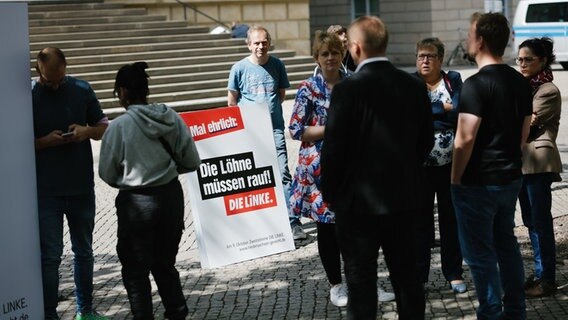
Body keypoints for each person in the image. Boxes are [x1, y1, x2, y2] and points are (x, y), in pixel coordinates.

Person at [321, 16, 432, 319]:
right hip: (406, 199)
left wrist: (330, 193)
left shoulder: (346, 90)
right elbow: (426, 142)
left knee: (360, 282)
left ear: (355, 48)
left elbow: (333, 150)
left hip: (357, 205)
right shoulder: (413, 85)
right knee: (408, 282)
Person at [289, 30, 394, 308]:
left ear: (342, 54)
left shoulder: (355, 82)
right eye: (325, 53)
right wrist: (333, 128)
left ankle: (365, 284)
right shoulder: (308, 89)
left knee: (360, 228)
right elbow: (296, 129)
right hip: (319, 169)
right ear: (317, 58)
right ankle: (336, 285)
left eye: (335, 52)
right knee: (328, 229)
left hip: (356, 166)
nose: (331, 57)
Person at [99, 62, 201, 319]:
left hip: (137, 204)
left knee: (135, 271)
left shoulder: (119, 127)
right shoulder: (171, 117)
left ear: (122, 92)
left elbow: (107, 174)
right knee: (165, 264)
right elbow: (191, 161)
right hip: (170, 198)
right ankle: (177, 312)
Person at [451, 12, 532, 319]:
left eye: (471, 34)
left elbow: (464, 139)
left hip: (477, 183)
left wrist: (455, 179)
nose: (467, 39)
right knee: (507, 245)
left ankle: (491, 313)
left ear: (480, 41)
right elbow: (524, 135)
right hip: (510, 178)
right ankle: (515, 311)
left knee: (480, 254)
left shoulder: (475, 85)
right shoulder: (519, 82)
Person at [32, 47, 109, 320]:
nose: (54, 85)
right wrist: (44, 142)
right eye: (48, 80)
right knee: (50, 257)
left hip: (80, 187)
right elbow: (14, 144)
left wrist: (86, 131)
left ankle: (85, 311)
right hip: (45, 192)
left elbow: (103, 127)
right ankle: (48, 314)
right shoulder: (27, 95)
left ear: (66, 68)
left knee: (84, 252)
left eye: (59, 79)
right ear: (38, 71)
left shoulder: (81, 89)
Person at [227, 25, 307, 240]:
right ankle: (259, 227)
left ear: (269, 42)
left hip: (274, 130)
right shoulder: (239, 69)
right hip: (250, 133)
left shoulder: (277, 65)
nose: (260, 46)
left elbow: (280, 95)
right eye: (256, 43)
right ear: (248, 44)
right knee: (254, 178)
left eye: (264, 42)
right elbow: (232, 102)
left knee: (283, 174)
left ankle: (293, 223)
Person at [412, 37, 466, 293]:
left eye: (430, 56)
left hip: (450, 165)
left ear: (440, 59)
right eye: (421, 56)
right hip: (419, 167)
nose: (425, 60)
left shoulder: (452, 79)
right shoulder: (410, 83)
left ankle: (454, 273)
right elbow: (408, 116)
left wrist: (432, 111)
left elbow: (460, 111)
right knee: (420, 222)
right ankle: (419, 276)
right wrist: (442, 108)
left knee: (450, 219)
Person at [516, 37, 562, 298]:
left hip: (538, 163)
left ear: (542, 61)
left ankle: (547, 280)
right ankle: (540, 272)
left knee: (541, 222)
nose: (522, 64)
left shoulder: (547, 90)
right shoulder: (523, 87)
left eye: (528, 59)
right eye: (519, 59)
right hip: (522, 163)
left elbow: (528, 123)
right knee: (530, 221)